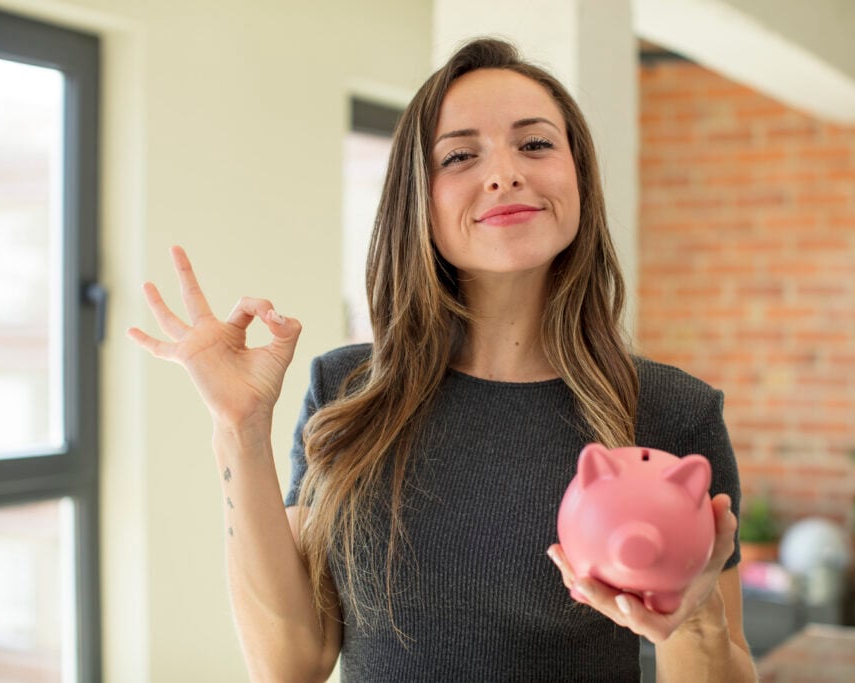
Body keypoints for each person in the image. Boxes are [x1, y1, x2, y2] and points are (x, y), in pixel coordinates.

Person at [128, 38, 757, 682]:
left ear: (580, 177)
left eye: (535, 144)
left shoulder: (672, 413)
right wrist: (238, 426)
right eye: (460, 155)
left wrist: (697, 615)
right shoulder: (346, 390)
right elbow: (291, 663)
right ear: (417, 202)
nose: (504, 173)